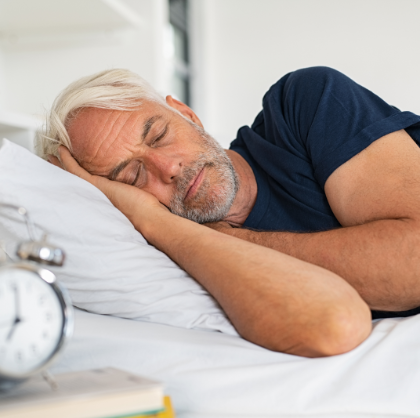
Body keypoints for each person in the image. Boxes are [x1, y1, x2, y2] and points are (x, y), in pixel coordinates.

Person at [42, 66, 420, 357]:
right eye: (133, 175)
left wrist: (227, 238)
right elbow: (328, 326)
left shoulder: (304, 104)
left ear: (187, 113)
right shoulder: (161, 250)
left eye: (159, 135)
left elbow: (413, 262)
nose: (168, 167)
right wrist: (153, 222)